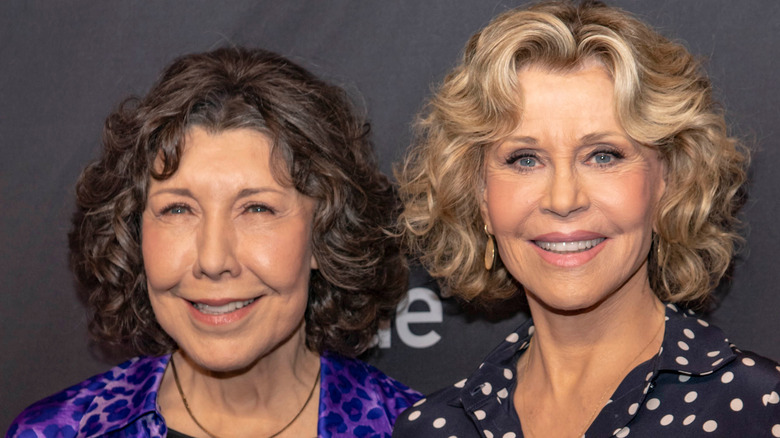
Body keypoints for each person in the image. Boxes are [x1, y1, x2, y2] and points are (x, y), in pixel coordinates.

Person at [393, 1, 780, 437]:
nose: (563, 198)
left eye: (603, 156)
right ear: (481, 197)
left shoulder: (758, 411)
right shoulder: (433, 428)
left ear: (668, 181)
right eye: (524, 160)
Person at [9, 47, 421, 438]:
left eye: (257, 209)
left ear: (325, 233)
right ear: (134, 233)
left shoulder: (409, 430)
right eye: (178, 210)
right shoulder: (60, 430)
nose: (212, 259)